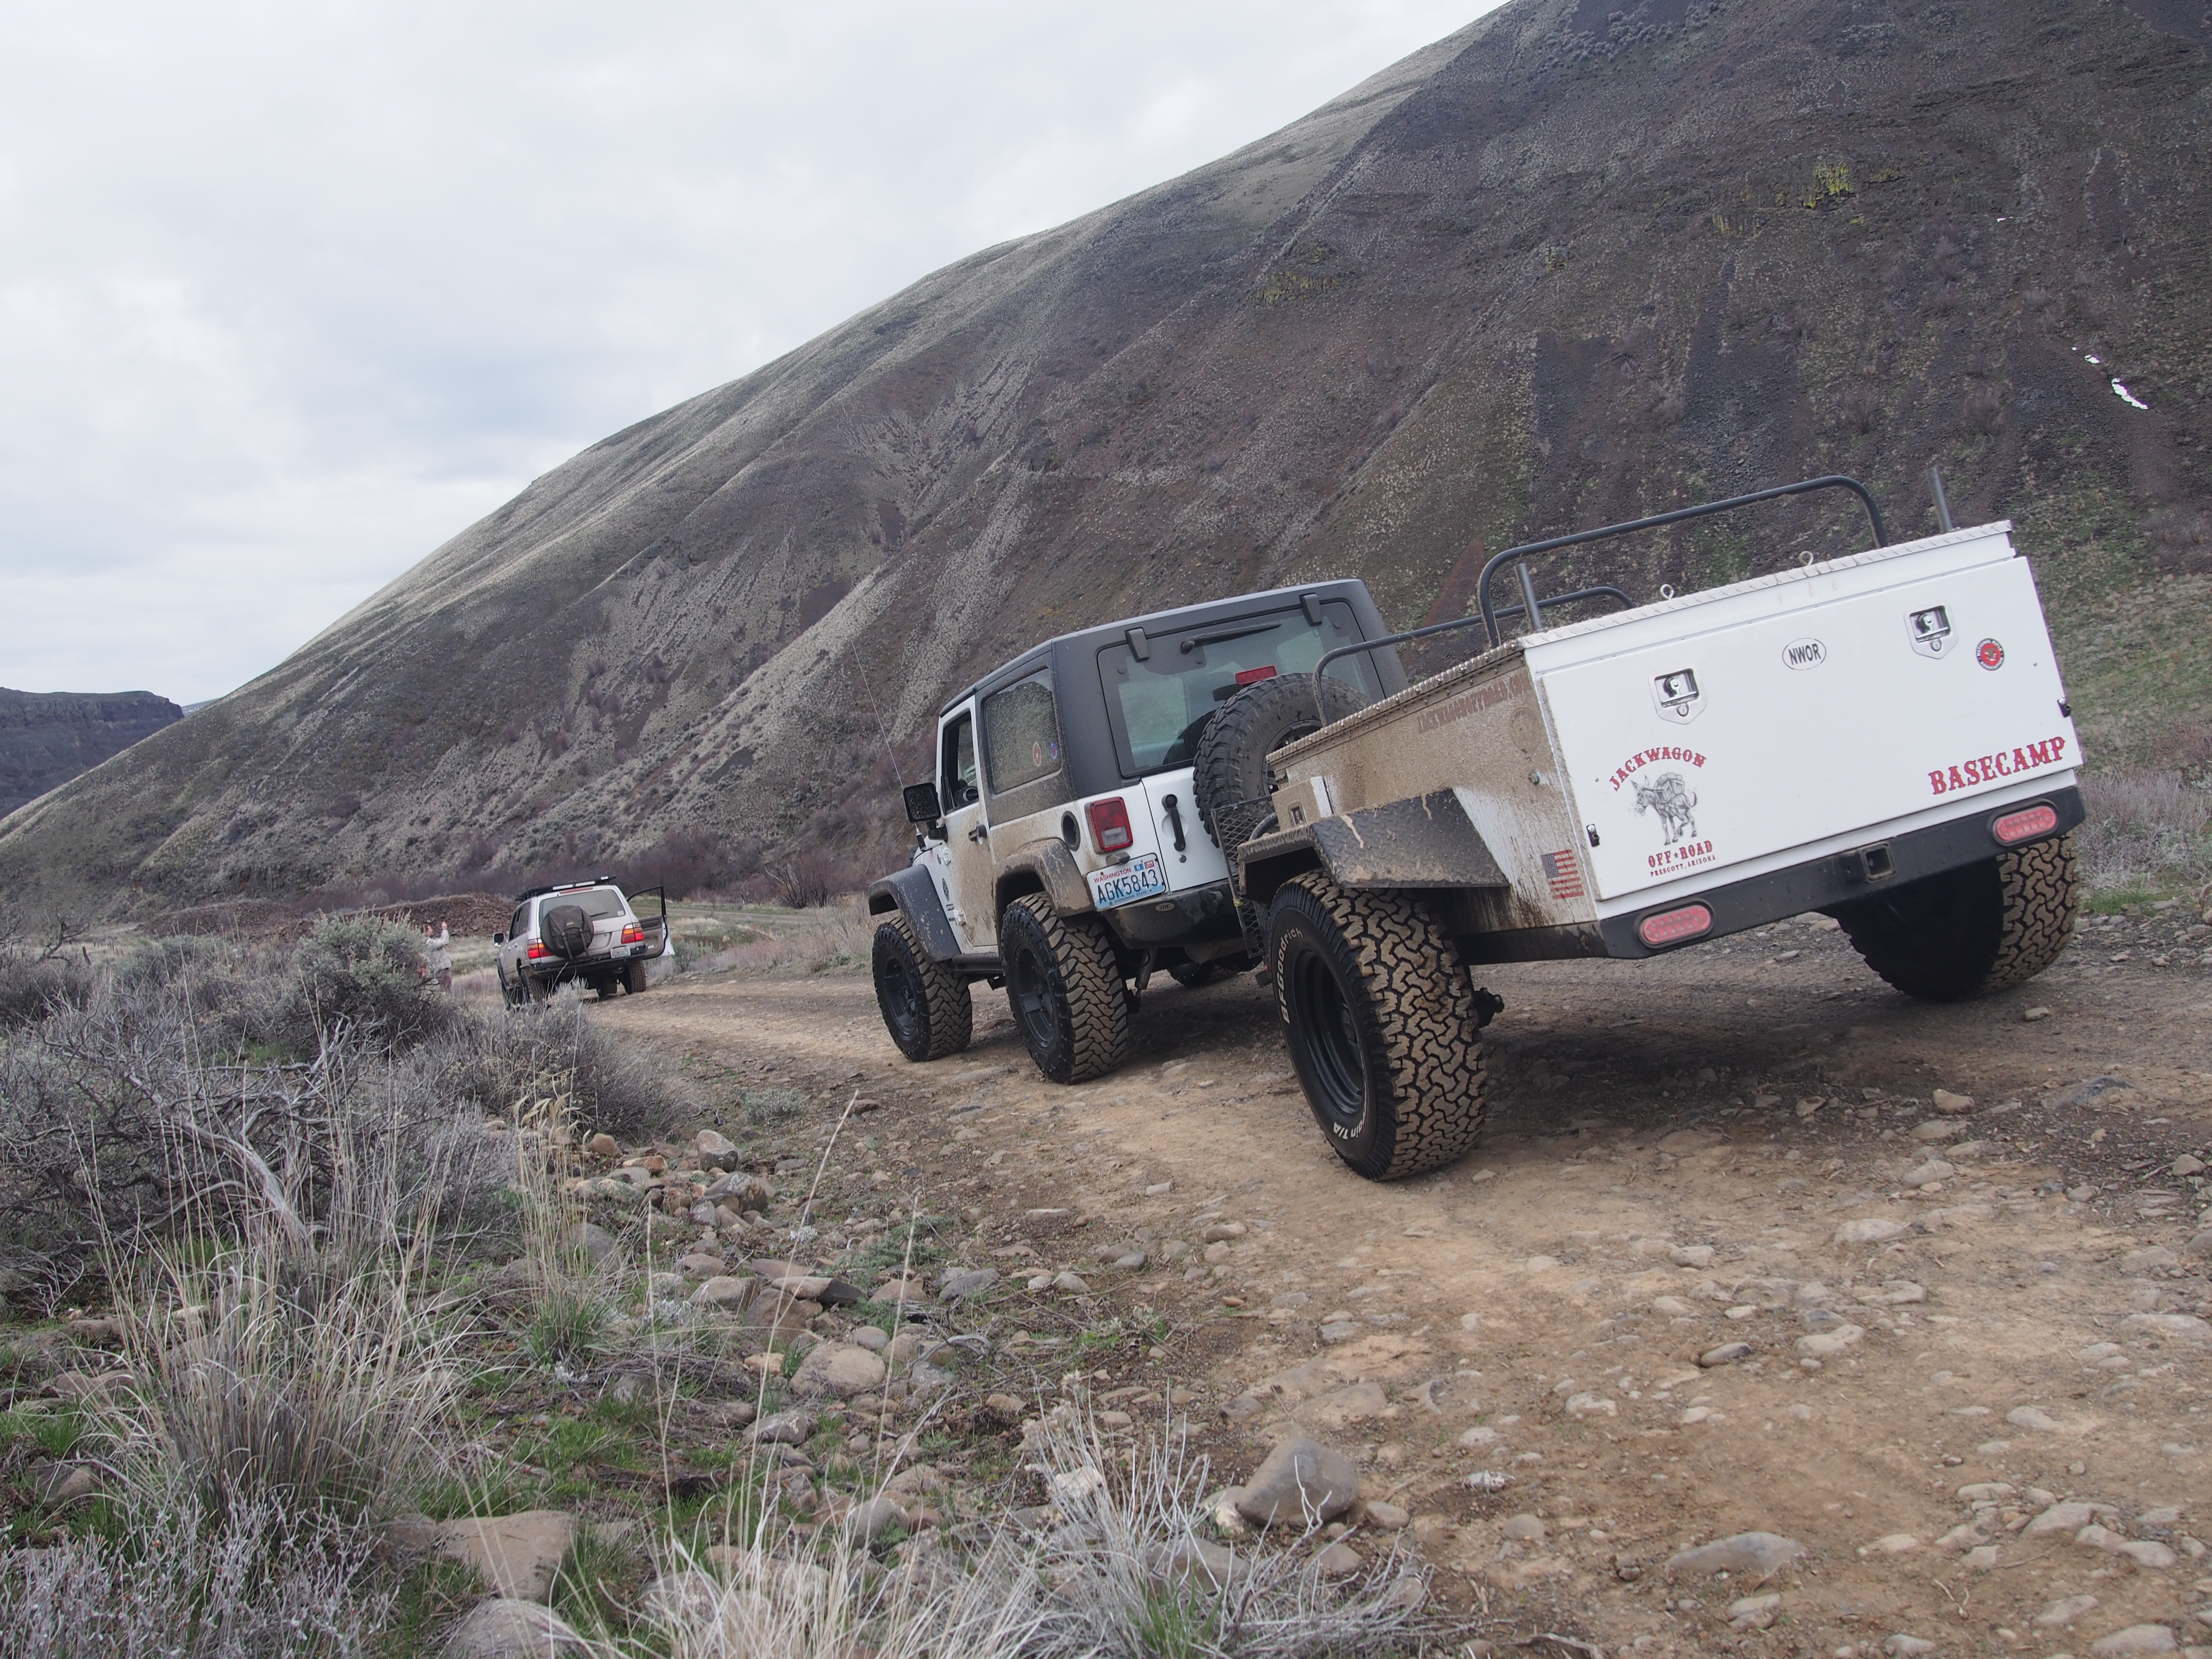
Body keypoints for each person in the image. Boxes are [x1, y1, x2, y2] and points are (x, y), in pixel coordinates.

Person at [422, 920, 452, 991]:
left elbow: (440, 941)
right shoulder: (428, 942)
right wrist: (444, 930)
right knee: (447, 989)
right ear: (426, 932)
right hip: (441, 970)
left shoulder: (429, 941)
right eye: (430, 929)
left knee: (445, 988)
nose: (432, 930)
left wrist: (443, 931)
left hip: (440, 970)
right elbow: (444, 942)